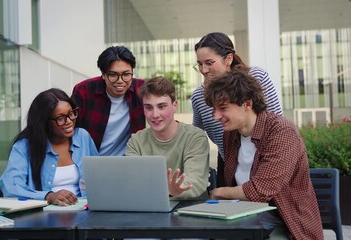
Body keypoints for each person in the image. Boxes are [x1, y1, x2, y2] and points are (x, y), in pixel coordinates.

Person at [204, 70, 323, 239]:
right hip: (244, 218)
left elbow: (260, 191)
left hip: (287, 224)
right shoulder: (230, 134)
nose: (216, 116)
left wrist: (220, 192)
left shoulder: (281, 131)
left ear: (247, 104)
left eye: (223, 108)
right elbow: (227, 178)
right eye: (214, 110)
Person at [191, 32, 283, 186]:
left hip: (266, 164)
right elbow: (195, 135)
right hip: (230, 168)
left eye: (209, 62)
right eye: (200, 64)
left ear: (228, 58)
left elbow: (277, 124)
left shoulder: (256, 77)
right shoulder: (199, 96)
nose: (204, 70)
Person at [0, 88, 99, 205]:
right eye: (60, 118)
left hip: (85, 209)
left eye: (71, 114)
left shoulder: (82, 137)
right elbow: (10, 187)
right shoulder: (24, 146)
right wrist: (49, 196)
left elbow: (99, 174)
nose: (69, 121)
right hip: (43, 214)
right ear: (43, 122)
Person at [126, 76, 210, 200]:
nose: (155, 115)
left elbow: (195, 183)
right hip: (149, 209)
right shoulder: (136, 141)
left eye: (161, 106)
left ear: (174, 105)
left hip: (189, 209)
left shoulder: (195, 137)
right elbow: (131, 181)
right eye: (149, 107)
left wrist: (170, 190)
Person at [72, 46, 145, 156]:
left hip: (127, 162)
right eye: (113, 75)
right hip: (89, 160)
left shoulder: (142, 90)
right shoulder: (84, 91)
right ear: (103, 74)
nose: (120, 81)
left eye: (126, 74)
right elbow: (71, 130)